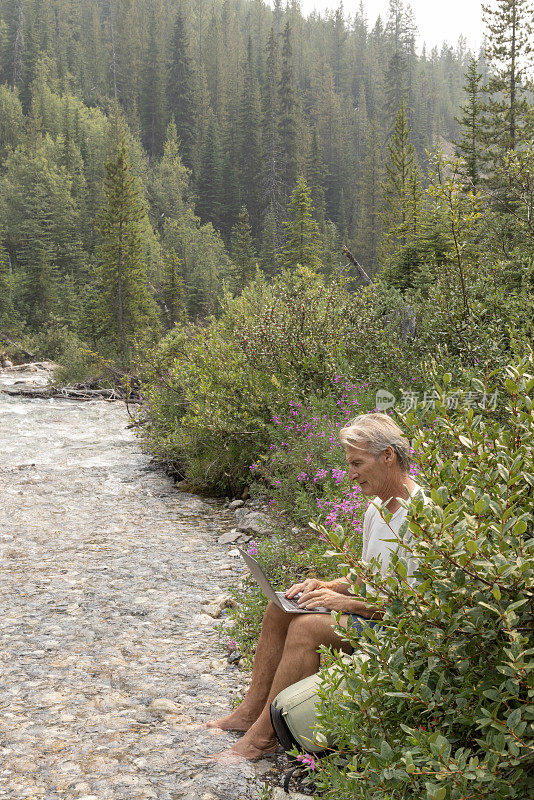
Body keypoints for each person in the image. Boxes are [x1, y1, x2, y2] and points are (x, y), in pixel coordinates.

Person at [206, 412, 422, 763]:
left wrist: (346, 604)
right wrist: (327, 585)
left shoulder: (421, 514)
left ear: (388, 456)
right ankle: (248, 714)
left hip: (399, 633)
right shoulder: (377, 508)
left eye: (357, 463)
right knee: (280, 608)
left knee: (308, 628)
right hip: (375, 614)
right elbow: (367, 578)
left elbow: (416, 606)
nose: (350, 475)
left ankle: (262, 740)